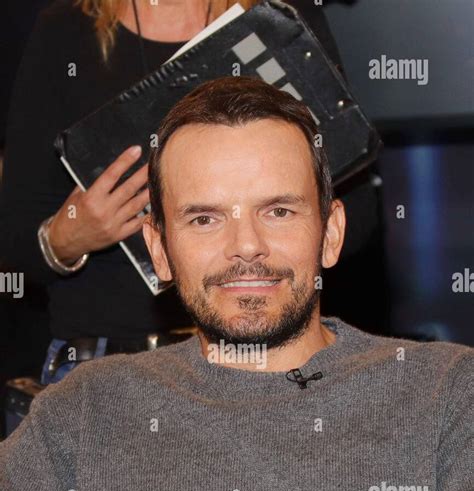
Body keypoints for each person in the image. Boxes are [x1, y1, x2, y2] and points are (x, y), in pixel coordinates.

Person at [0, 75, 471, 491]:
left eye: (278, 211)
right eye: (205, 218)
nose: (245, 246)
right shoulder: (90, 409)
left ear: (331, 231)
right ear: (159, 250)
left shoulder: (446, 391)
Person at [0, 0, 352, 400]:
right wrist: (70, 236)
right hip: (107, 369)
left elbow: (355, 212)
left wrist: (275, 210)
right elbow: (15, 245)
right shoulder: (67, 29)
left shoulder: (278, 16)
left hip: (268, 356)